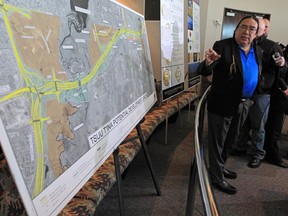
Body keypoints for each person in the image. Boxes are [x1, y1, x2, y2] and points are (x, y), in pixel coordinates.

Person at [197, 16, 262, 195]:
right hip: (223, 103)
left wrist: (252, 99)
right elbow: (205, 70)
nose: (246, 32)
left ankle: (220, 167)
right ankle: (216, 178)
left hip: (244, 105)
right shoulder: (223, 46)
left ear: (256, 34)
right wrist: (208, 63)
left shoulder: (258, 51)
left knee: (230, 141)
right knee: (217, 142)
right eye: (243, 27)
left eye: (251, 29)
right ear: (236, 29)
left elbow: (259, 75)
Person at [231, 18, 287, 168]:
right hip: (245, 91)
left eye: (255, 28)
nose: (251, 31)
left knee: (258, 126)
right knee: (243, 123)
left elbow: (281, 68)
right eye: (248, 27)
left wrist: (282, 64)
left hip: (262, 93)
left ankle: (257, 154)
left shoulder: (272, 46)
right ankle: (240, 146)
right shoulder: (246, 44)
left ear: (263, 30)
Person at [264, 49, 288, 167]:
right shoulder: (280, 50)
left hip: (282, 93)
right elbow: (279, 72)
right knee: (274, 127)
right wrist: (284, 87)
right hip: (281, 93)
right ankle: (272, 155)